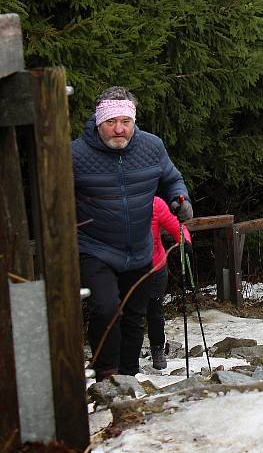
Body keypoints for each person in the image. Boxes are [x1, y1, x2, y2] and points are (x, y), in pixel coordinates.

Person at [73, 86, 191, 380]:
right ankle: (106, 376)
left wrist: (181, 200)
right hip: (94, 246)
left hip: (139, 248)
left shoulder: (152, 147)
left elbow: (172, 178)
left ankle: (128, 377)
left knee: (135, 317)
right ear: (98, 122)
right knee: (105, 309)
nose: (119, 129)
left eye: (125, 122)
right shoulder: (75, 154)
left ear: (133, 121)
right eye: (111, 122)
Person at [147, 196, 192, 370]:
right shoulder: (118, 203)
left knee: (154, 311)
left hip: (156, 266)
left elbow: (177, 226)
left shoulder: (155, 204)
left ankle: (157, 349)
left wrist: (185, 240)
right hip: (129, 269)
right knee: (131, 314)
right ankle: (128, 361)